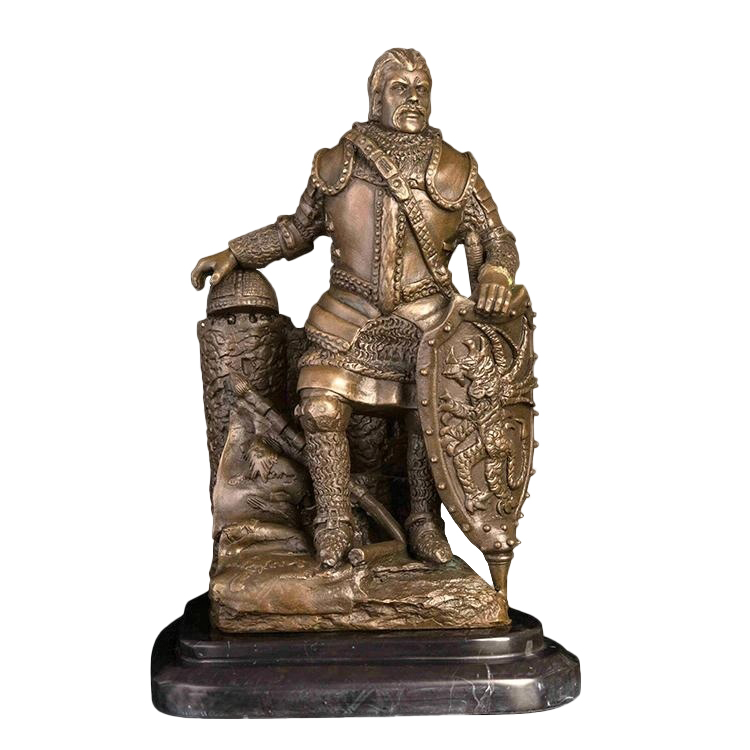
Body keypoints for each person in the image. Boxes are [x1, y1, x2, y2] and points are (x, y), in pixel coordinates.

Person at [192, 48, 520, 568]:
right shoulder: (338, 163)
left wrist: (498, 274)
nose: (412, 97)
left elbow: (496, 239)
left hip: (426, 320)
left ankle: (423, 521)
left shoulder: (457, 170)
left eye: (421, 88)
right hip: (348, 315)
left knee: (429, 409)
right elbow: (295, 231)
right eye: (399, 88)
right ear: (376, 97)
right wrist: (236, 252)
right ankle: (334, 520)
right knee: (320, 407)